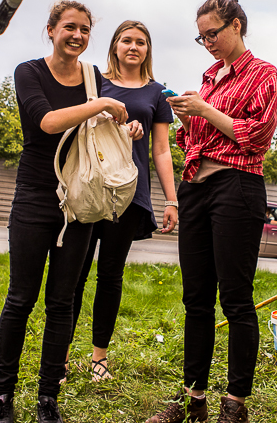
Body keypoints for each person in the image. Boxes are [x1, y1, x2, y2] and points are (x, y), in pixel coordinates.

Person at [0, 0, 143, 423]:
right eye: (70, 27)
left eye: (85, 30)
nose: (77, 36)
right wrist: (100, 107)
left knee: (61, 302)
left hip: (80, 203)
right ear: (51, 29)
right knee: (20, 299)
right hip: (36, 197)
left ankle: (47, 398)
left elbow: (107, 122)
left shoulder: (94, 77)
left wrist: (127, 126)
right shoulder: (29, 72)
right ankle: (3, 396)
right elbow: (47, 121)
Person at [145, 0, 277, 423]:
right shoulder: (209, 77)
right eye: (201, 37)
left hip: (237, 186)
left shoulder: (264, 74)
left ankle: (235, 404)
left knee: (236, 300)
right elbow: (195, 141)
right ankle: (193, 399)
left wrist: (205, 108)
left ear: (237, 25)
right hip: (195, 189)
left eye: (213, 34)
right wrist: (189, 117)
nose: (208, 43)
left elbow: (255, 137)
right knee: (196, 300)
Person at [69, 20, 179, 382]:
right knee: (74, 274)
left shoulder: (157, 94)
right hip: (88, 190)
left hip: (129, 195)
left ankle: (99, 355)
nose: (133, 46)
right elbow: (75, 127)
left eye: (141, 42)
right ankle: (61, 356)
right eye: (126, 40)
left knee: (110, 275)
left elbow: (161, 151)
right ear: (115, 46)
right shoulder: (93, 82)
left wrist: (171, 200)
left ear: (148, 50)